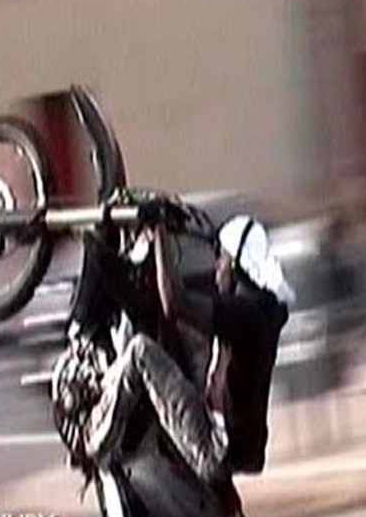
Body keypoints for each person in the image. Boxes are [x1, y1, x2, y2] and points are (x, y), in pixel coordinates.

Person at [83, 203, 294, 489]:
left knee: (140, 351)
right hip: (235, 443)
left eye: (220, 259)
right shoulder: (262, 306)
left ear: (234, 264)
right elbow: (193, 305)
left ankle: (94, 440)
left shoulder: (244, 314)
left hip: (213, 448)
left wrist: (160, 231)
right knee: (183, 335)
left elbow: (175, 304)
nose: (215, 267)